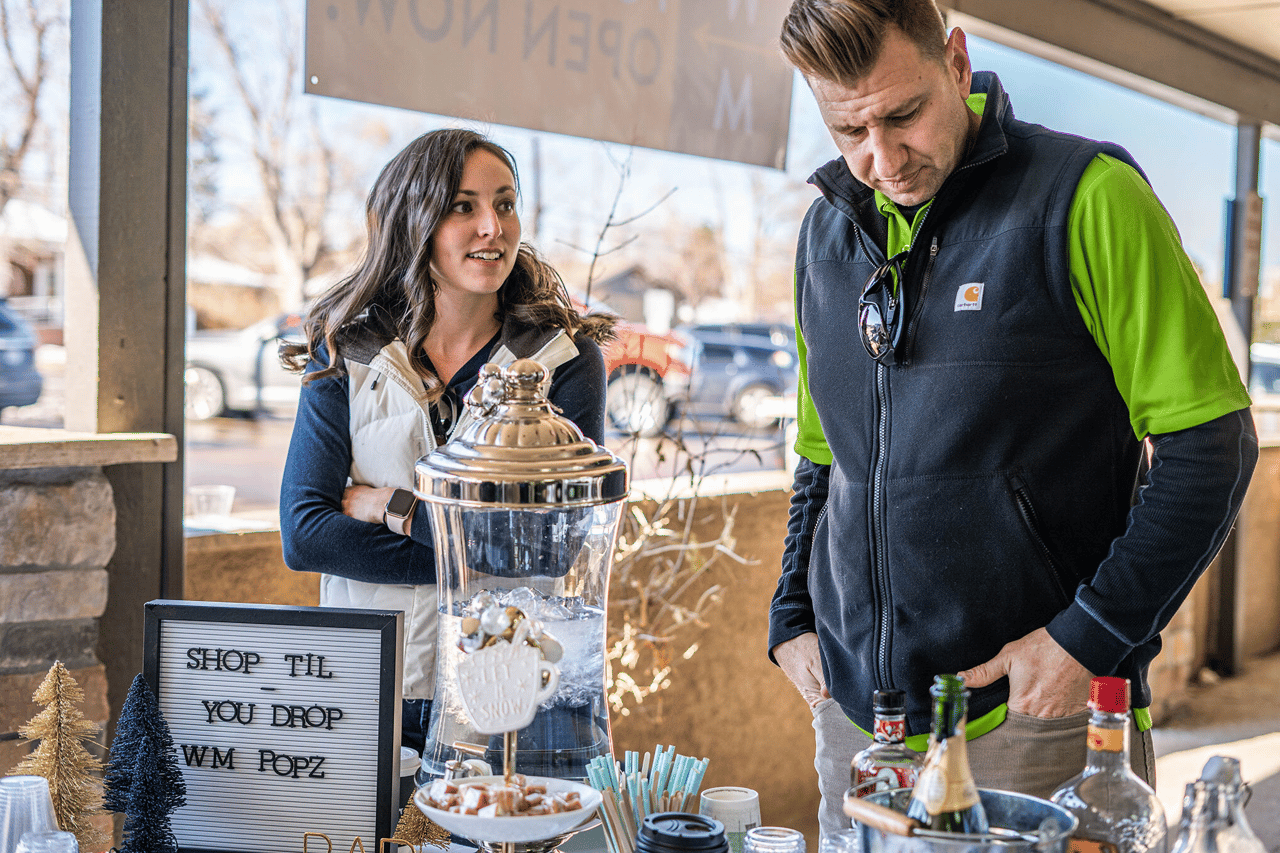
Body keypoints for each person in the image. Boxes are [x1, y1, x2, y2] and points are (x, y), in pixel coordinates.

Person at [767, 0, 1258, 835]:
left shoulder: (1087, 197)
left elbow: (1211, 446)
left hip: (1034, 719)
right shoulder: (825, 237)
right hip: (856, 723)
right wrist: (790, 616)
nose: (881, 158)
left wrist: (1087, 640)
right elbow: (824, 459)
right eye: (848, 129)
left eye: (903, 114)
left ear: (956, 62)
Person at [279, 128, 614, 755]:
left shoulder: (563, 360)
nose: (493, 227)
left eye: (505, 204)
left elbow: (553, 549)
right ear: (413, 222)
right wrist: (488, 555)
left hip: (509, 688)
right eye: (463, 207)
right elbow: (305, 536)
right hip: (367, 683)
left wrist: (393, 508)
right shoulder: (345, 352)